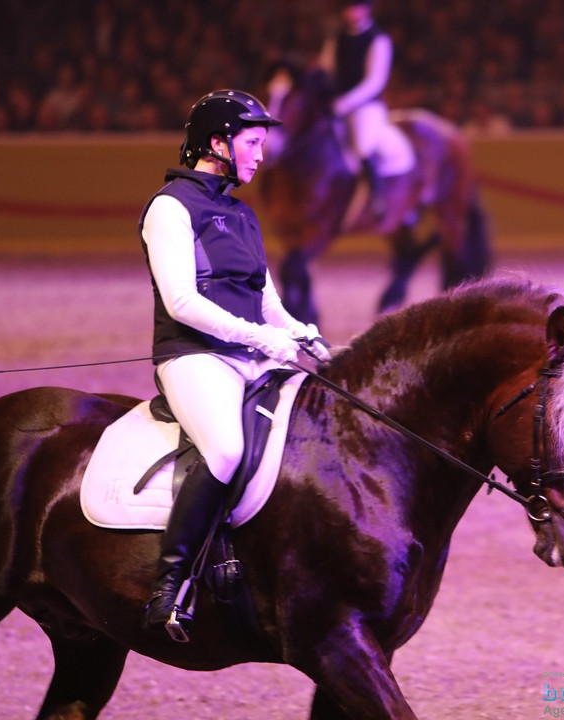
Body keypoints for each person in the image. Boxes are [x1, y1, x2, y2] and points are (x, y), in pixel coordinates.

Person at [139, 89, 329, 641]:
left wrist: (304, 335)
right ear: (218, 142)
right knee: (225, 448)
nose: (261, 156)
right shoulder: (171, 207)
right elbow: (181, 302)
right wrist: (262, 340)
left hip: (250, 355)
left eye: (263, 144)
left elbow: (268, 302)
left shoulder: (242, 214)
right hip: (194, 357)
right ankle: (169, 585)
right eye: (253, 143)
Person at [319, 0, 394, 211]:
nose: (351, 12)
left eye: (356, 7)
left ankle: (377, 194)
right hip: (335, 103)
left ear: (366, 9)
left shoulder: (378, 39)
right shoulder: (337, 37)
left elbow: (375, 81)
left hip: (366, 106)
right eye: (348, 7)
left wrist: (346, 101)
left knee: (362, 143)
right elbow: (326, 68)